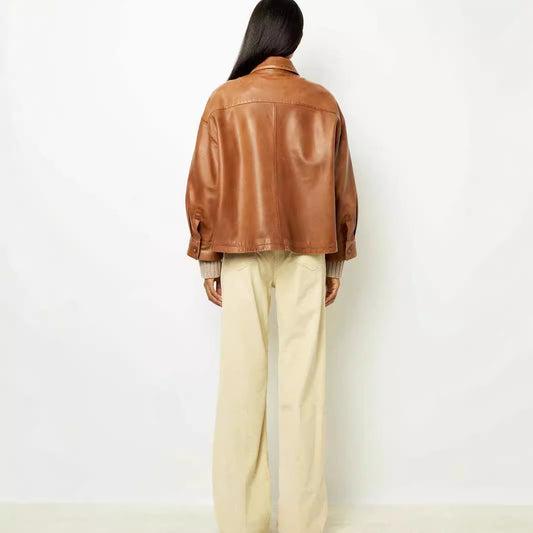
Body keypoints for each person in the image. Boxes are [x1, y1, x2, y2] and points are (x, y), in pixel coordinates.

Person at [184, 1, 358, 531]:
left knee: (242, 383)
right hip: (308, 250)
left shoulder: (225, 100)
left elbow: (204, 184)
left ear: (257, 34)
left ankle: (242, 521)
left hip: (240, 251)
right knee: (304, 386)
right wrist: (336, 259)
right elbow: (342, 188)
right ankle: (303, 522)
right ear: (294, 39)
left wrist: (208, 259)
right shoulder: (323, 103)